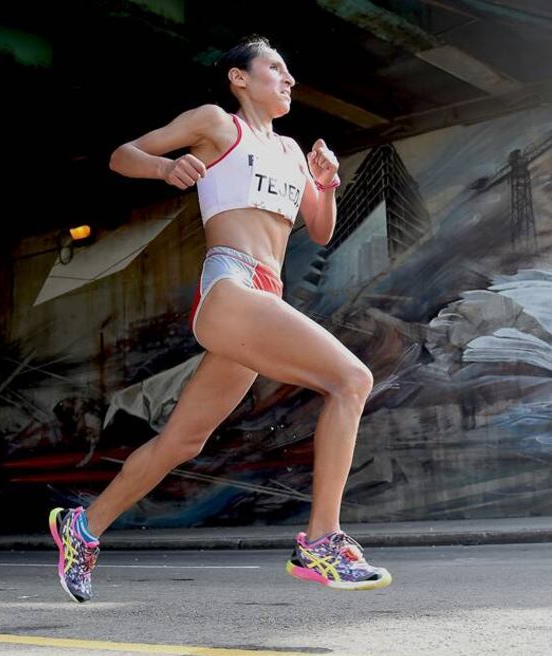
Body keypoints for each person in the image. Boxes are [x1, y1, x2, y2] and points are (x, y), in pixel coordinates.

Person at [49, 35, 391, 601]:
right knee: (352, 379)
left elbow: (321, 229)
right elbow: (123, 155)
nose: (289, 80)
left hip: (266, 296)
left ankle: (82, 527)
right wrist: (166, 168)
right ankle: (321, 542)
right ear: (240, 78)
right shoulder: (216, 123)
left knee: (182, 442)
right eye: (276, 68)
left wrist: (327, 181)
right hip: (230, 285)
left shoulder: (291, 151)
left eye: (289, 72)